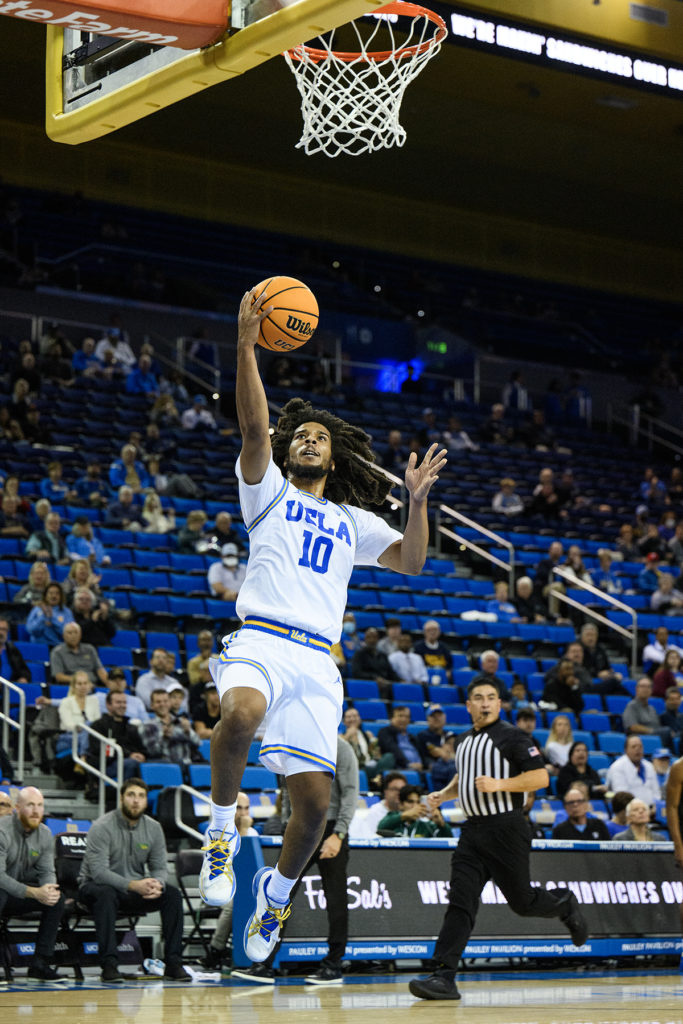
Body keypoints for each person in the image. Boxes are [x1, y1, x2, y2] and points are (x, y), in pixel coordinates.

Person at [199, 286, 446, 974]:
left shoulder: (350, 521)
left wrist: (418, 502)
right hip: (262, 639)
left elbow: (414, 561)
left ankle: (273, 895)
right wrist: (245, 344)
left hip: (317, 660)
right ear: (286, 447)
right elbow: (252, 429)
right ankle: (220, 831)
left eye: (320, 438)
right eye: (299, 434)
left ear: (334, 460)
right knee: (240, 713)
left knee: (311, 807)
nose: (308, 438)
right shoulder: (266, 488)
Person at [408, 678, 588, 1002]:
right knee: (460, 902)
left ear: (499, 704)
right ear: (468, 705)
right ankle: (443, 977)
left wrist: (501, 784)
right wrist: (444, 795)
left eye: (491, 697)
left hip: (507, 829)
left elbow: (541, 777)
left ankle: (565, 904)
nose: (485, 703)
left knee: (523, 903)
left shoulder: (513, 736)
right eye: (478, 697)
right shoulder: (463, 741)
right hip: (473, 831)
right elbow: (464, 777)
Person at [78, 777, 190, 982]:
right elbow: (98, 872)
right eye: (131, 795)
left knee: (171, 894)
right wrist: (133, 885)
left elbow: (159, 867)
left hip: (134, 889)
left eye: (141, 796)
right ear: (122, 798)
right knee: (106, 893)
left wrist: (157, 884)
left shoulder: (154, 828)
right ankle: (109, 965)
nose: (136, 801)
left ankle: (173, 963)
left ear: (147, 801)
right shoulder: (101, 826)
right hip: (95, 887)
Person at [0, 787, 67, 982]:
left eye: (40, 805)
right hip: (3, 890)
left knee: (56, 900)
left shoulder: (45, 833)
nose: (36, 811)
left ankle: (40, 964)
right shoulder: (2, 831)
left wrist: (48, 890)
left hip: (19, 893)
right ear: (17, 808)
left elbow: (47, 870)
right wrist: (32, 892)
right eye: (30, 805)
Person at [200, 792, 259, 971]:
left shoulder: (254, 832)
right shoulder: (215, 832)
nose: (243, 813)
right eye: (238, 808)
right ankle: (215, 950)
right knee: (234, 904)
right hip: (218, 886)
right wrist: (241, 832)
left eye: (246, 808)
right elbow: (229, 865)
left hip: (246, 888)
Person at [88, 691, 147, 784]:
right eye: (118, 702)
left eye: (124, 702)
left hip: (130, 761)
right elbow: (101, 750)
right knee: (131, 763)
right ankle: (125, 794)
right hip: (107, 766)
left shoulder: (130, 727)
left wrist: (142, 755)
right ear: (108, 705)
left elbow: (141, 748)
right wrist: (129, 755)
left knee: (163, 762)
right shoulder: (98, 726)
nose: (122, 705)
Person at [139, 689, 200, 768]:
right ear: (152, 705)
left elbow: (198, 742)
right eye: (158, 702)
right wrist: (164, 738)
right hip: (165, 766)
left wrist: (188, 731)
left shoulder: (181, 722)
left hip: (188, 764)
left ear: (170, 703)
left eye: (165, 701)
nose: (162, 704)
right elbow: (152, 752)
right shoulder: (147, 725)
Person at [605, 736, 661, 809]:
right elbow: (622, 797)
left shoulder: (649, 766)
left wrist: (655, 807)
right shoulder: (617, 767)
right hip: (628, 810)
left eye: (640, 747)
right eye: (633, 747)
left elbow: (656, 792)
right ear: (626, 750)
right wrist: (641, 809)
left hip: (651, 810)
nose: (638, 749)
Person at [378, 783, 452, 838]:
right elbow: (380, 827)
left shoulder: (426, 824)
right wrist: (405, 815)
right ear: (401, 804)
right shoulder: (393, 817)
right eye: (410, 802)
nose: (415, 806)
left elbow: (449, 841)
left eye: (418, 802)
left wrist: (442, 825)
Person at [348, 771, 407, 839]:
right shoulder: (374, 812)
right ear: (385, 791)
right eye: (395, 789)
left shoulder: (410, 811)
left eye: (402, 790)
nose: (399, 793)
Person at [341, 706, 392, 784]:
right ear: (344, 721)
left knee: (389, 757)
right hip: (356, 767)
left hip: (371, 765)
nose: (352, 719)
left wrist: (372, 741)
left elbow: (376, 755)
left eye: (355, 716)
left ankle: (376, 778)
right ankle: (376, 780)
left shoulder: (366, 735)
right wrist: (347, 736)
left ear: (360, 719)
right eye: (349, 717)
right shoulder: (341, 737)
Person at [50, 621, 108, 689]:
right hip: (71, 688)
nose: (73, 635)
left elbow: (100, 670)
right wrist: (81, 682)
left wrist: (110, 684)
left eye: (76, 632)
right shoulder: (57, 652)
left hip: (92, 686)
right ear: (63, 636)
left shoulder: (89, 649)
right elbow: (59, 676)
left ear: (80, 635)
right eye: (70, 633)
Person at [622, 676, 672, 748]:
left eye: (648, 687)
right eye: (642, 686)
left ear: (651, 690)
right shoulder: (631, 706)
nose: (645, 689)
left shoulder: (652, 708)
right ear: (637, 689)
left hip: (656, 736)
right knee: (666, 731)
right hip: (641, 738)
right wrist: (651, 731)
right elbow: (632, 727)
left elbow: (658, 725)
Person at [350, 626, 400, 697]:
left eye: (374, 637)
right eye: (369, 637)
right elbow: (357, 672)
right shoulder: (359, 654)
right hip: (368, 685)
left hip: (385, 685)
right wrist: (375, 678)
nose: (372, 640)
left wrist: (400, 680)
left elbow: (390, 672)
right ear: (365, 639)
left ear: (378, 639)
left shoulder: (383, 655)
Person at [377, 706, 424, 773]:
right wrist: (408, 764)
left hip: (420, 770)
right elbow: (392, 749)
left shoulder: (413, 737)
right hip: (399, 770)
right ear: (391, 718)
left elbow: (422, 754)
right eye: (400, 716)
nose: (403, 719)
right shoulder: (385, 732)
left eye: (407, 717)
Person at [0, 616, 30, 683]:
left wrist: (24, 678)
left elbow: (25, 671)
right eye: (0, 629)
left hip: (11, 688)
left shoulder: (12, 650)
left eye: (4, 629)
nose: (1, 633)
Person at [660, 687, 683, 753]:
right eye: (672, 699)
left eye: (677, 699)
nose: (675, 702)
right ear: (666, 700)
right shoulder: (663, 717)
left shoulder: (681, 716)